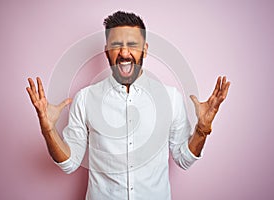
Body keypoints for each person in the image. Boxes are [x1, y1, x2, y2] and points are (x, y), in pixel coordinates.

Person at [26, 11, 230, 200]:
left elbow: (184, 159)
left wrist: (202, 129)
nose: (124, 52)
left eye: (132, 44)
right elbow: (69, 164)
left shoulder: (170, 98)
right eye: (116, 45)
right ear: (106, 51)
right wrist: (48, 130)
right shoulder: (85, 99)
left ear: (145, 50)